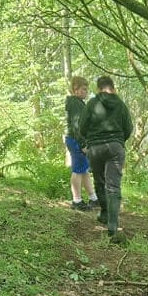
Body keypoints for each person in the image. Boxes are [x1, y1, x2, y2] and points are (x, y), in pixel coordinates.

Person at [78, 75, 133, 243]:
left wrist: (90, 140)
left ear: (98, 89)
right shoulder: (121, 105)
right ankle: (113, 224)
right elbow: (128, 128)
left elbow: (82, 127)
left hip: (95, 148)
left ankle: (104, 213)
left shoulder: (91, 104)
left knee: (100, 182)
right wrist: (117, 141)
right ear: (113, 88)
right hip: (115, 147)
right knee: (113, 186)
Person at [64, 76, 99, 211]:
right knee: (78, 170)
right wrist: (83, 144)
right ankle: (76, 201)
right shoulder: (75, 103)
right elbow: (77, 125)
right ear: (75, 89)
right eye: (83, 89)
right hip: (75, 140)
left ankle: (93, 198)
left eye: (86, 89)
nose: (86, 92)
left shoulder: (78, 103)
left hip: (77, 139)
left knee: (84, 170)